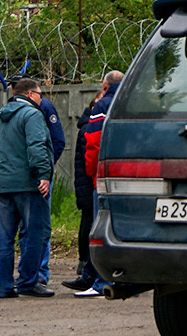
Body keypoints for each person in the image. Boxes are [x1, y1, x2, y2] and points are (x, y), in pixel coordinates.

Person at [0, 76, 54, 298]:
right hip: (28, 185)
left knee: (4, 237)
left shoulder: (2, 117)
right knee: (37, 232)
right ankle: (28, 282)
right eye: (39, 94)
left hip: (4, 185)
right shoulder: (32, 115)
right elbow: (37, 147)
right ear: (29, 94)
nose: (41, 98)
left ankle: (4, 287)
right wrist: (44, 175)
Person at [64, 70, 121, 296]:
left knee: (99, 230)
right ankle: (123, 282)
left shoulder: (102, 106)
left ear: (105, 86)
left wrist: (93, 173)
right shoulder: (130, 103)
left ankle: (98, 282)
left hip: (102, 177)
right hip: (126, 177)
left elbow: (94, 145)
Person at [34, 86, 65, 290]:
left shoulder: (44, 107)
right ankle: (29, 272)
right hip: (24, 177)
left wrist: (46, 167)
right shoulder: (14, 107)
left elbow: (58, 141)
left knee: (42, 223)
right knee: (27, 226)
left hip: (42, 176)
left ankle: (41, 272)